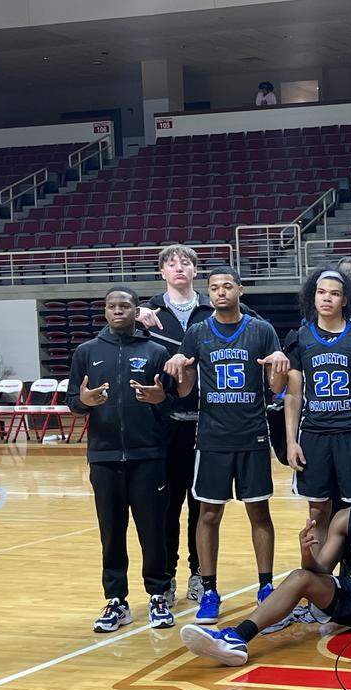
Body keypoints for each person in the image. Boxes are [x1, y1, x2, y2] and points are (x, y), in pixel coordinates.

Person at [179, 453, 351, 674]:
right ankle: (237, 638)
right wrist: (307, 554)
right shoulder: (344, 518)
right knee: (300, 576)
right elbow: (320, 571)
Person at [163, 265, 290, 624]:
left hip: (252, 435)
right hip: (212, 438)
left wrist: (280, 368)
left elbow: (276, 389)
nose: (221, 292)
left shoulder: (261, 330)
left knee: (259, 513)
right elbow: (186, 391)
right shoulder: (198, 332)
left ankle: (265, 587)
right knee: (208, 514)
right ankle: (210, 590)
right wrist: (179, 369)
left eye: (227, 286)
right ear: (209, 293)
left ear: (240, 290)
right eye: (214, 287)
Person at [136, 244, 260, 603]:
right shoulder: (148, 313)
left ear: (196, 272)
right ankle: (167, 575)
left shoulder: (213, 309)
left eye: (186, 262)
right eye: (171, 263)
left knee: (202, 505)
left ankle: (197, 572)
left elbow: (251, 325)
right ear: (162, 272)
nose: (179, 267)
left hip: (210, 422)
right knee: (166, 506)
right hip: (165, 423)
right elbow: (118, 328)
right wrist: (137, 314)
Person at [68, 287, 177, 632]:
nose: (118, 311)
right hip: (104, 457)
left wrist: (160, 398)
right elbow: (74, 400)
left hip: (148, 456)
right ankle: (116, 601)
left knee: (153, 531)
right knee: (111, 532)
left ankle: (158, 596)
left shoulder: (156, 351)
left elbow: (171, 404)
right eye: (112, 306)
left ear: (135, 311)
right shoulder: (87, 352)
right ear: (105, 311)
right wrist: (85, 400)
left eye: (125, 306)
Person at [283, 270, 351, 545]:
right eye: (321, 292)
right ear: (312, 296)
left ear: (345, 300)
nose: (327, 298)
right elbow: (293, 395)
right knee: (317, 510)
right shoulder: (299, 338)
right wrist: (291, 441)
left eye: (334, 293)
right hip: (314, 434)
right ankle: (319, 576)